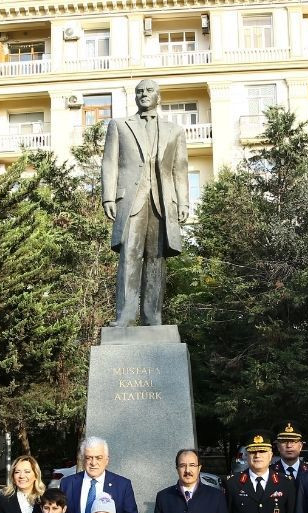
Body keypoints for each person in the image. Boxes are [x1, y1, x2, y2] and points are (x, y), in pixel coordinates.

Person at [100, 78, 189, 327]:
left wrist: (184, 203)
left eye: (149, 91)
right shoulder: (119, 125)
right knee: (129, 255)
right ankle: (125, 317)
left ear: (159, 96)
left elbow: (180, 168)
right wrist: (108, 196)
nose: (143, 94)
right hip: (130, 200)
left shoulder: (175, 130)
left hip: (162, 201)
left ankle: (153, 318)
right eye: (139, 91)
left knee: (156, 258)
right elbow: (109, 162)